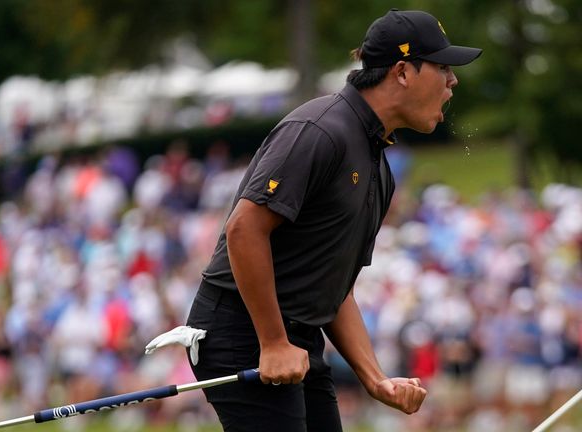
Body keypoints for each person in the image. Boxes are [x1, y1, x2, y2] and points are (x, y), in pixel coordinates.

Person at [185, 9, 482, 431]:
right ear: (402, 72)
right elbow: (244, 228)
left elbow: (334, 286)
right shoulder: (321, 130)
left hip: (296, 337)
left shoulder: (379, 167)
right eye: (443, 68)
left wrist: (375, 379)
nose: (452, 82)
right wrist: (272, 342)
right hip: (243, 329)